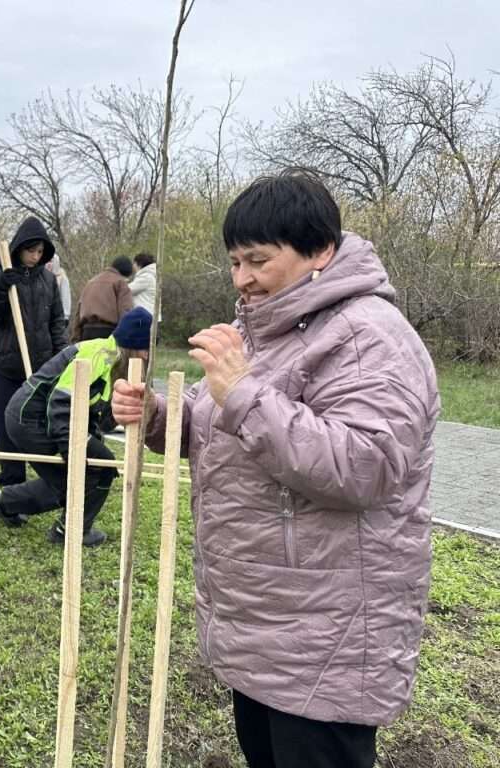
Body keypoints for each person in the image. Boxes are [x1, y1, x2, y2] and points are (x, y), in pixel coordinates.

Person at [111, 170, 438, 768]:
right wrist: (159, 416)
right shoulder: (259, 330)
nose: (243, 279)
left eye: (258, 260)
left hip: (326, 628)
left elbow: (365, 466)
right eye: (235, 262)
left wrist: (242, 391)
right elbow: (224, 427)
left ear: (319, 250)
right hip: (261, 617)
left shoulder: (369, 337)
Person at [0, 306, 153, 547]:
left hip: (45, 418)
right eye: (145, 348)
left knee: (77, 475)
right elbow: (61, 404)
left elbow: (98, 412)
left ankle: (2, 503)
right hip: (29, 419)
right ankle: (71, 531)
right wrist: (73, 449)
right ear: (131, 345)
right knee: (88, 474)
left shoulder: (118, 363)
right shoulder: (99, 355)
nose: (147, 355)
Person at [0, 216, 67, 489]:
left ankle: (47, 483)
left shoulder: (49, 281)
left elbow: (57, 323)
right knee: (6, 426)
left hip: (40, 368)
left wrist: (61, 359)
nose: (35, 257)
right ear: (18, 248)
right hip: (4, 366)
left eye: (40, 252)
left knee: (39, 425)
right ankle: (12, 486)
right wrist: (2, 288)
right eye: (31, 251)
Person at [69, 255, 133, 341]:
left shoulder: (90, 282)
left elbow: (78, 311)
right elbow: (125, 311)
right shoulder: (120, 283)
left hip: (86, 332)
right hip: (108, 333)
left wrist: (76, 338)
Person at [45, 253, 72, 320]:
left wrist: (65, 316)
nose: (48, 264)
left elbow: (66, 297)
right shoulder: (42, 278)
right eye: (46, 261)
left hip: (58, 317)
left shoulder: (62, 277)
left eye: (50, 261)